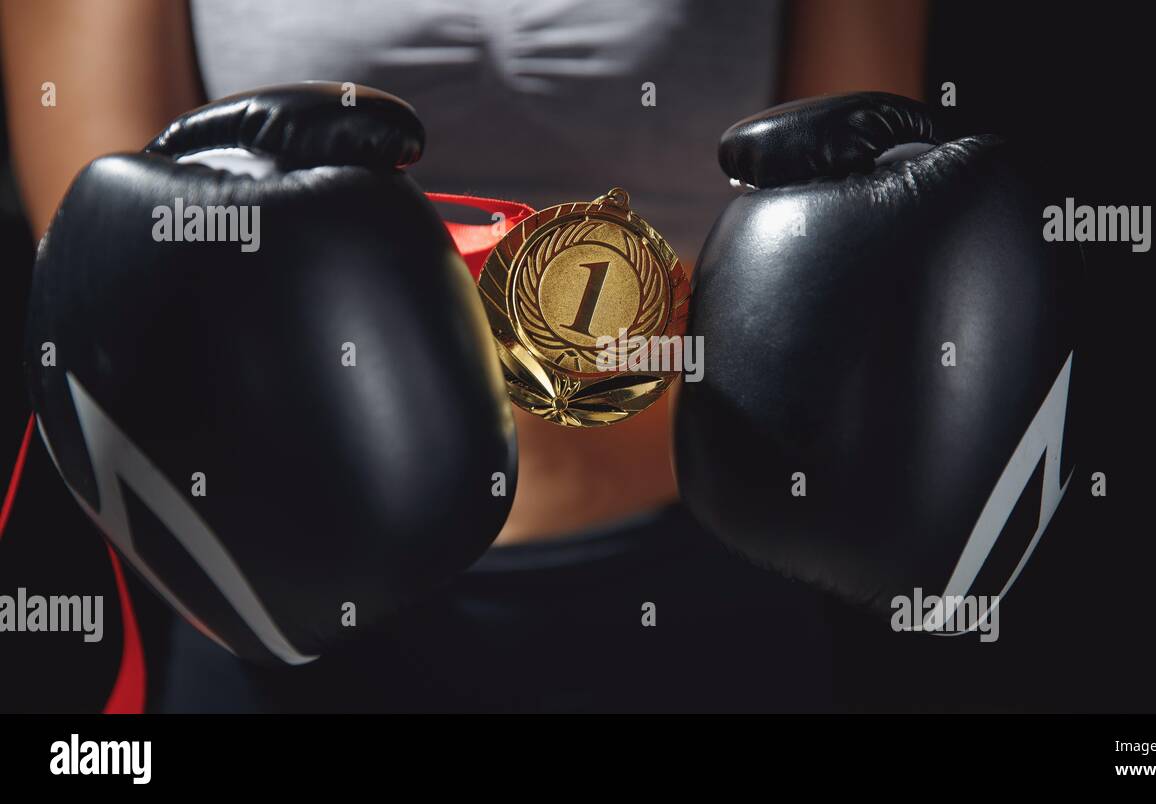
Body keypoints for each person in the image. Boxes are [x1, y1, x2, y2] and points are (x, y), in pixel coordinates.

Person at [0, 0, 927, 711]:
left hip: (707, 571)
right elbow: (105, 274)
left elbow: (839, 252)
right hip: (279, 585)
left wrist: (355, 297)